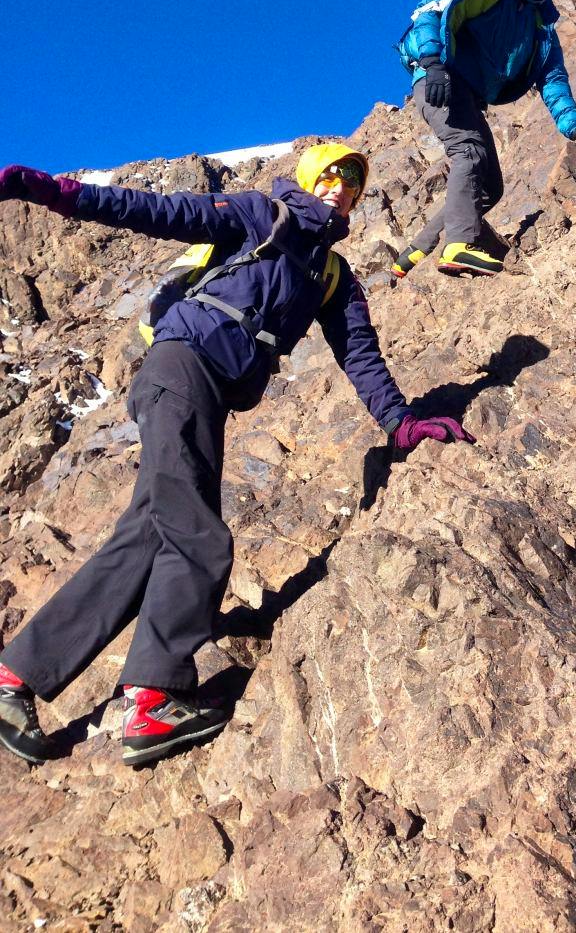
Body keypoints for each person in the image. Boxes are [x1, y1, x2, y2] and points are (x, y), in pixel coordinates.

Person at [0, 143, 472, 767]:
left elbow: (359, 355)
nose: (340, 191)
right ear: (309, 178)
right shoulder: (258, 214)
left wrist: (400, 422)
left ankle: (16, 679)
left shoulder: (331, 276)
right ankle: (151, 697)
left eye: (352, 187)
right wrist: (61, 194)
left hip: (206, 395)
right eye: (332, 177)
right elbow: (161, 212)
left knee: (146, 539)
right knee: (198, 537)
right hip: (180, 368)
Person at [393, 0, 576, 278]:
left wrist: (573, 126)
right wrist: (431, 63)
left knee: (490, 186)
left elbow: (553, 80)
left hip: (470, 98)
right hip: (440, 80)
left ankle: (416, 253)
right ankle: (459, 246)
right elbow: (427, 10)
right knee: (469, 152)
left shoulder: (541, 27)